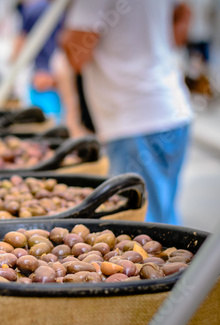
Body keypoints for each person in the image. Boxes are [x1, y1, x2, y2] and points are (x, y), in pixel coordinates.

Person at [61, 0, 193, 225]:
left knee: (141, 228)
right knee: (163, 219)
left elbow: (77, 54)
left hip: (134, 119)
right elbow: (183, 20)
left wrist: (63, 37)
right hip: (171, 108)